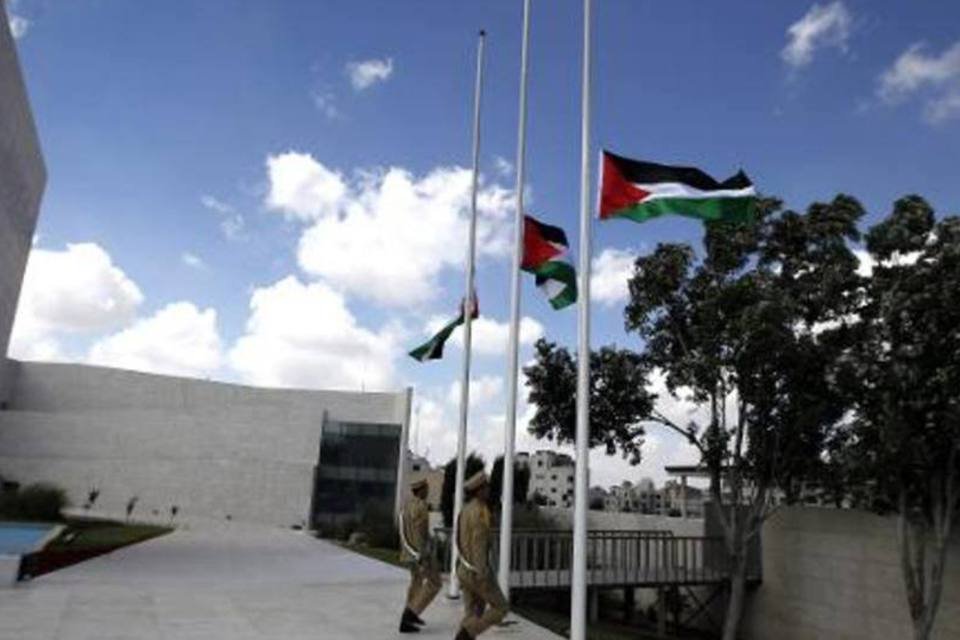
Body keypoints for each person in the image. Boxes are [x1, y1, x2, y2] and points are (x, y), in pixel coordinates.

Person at [454, 471, 508, 640]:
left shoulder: (465, 510)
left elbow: (458, 539)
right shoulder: (480, 512)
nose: (489, 490)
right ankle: (466, 635)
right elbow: (479, 544)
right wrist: (482, 574)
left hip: (463, 568)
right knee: (501, 607)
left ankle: (466, 634)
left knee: (473, 612)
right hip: (476, 571)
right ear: (479, 490)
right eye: (486, 487)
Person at [398, 478, 442, 633]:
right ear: (421, 490)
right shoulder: (421, 506)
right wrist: (424, 555)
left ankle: (408, 614)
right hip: (420, 554)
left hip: (408, 552)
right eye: (427, 489)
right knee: (435, 583)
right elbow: (421, 533)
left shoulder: (406, 506)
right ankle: (411, 614)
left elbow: (403, 530)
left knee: (416, 583)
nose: (428, 491)